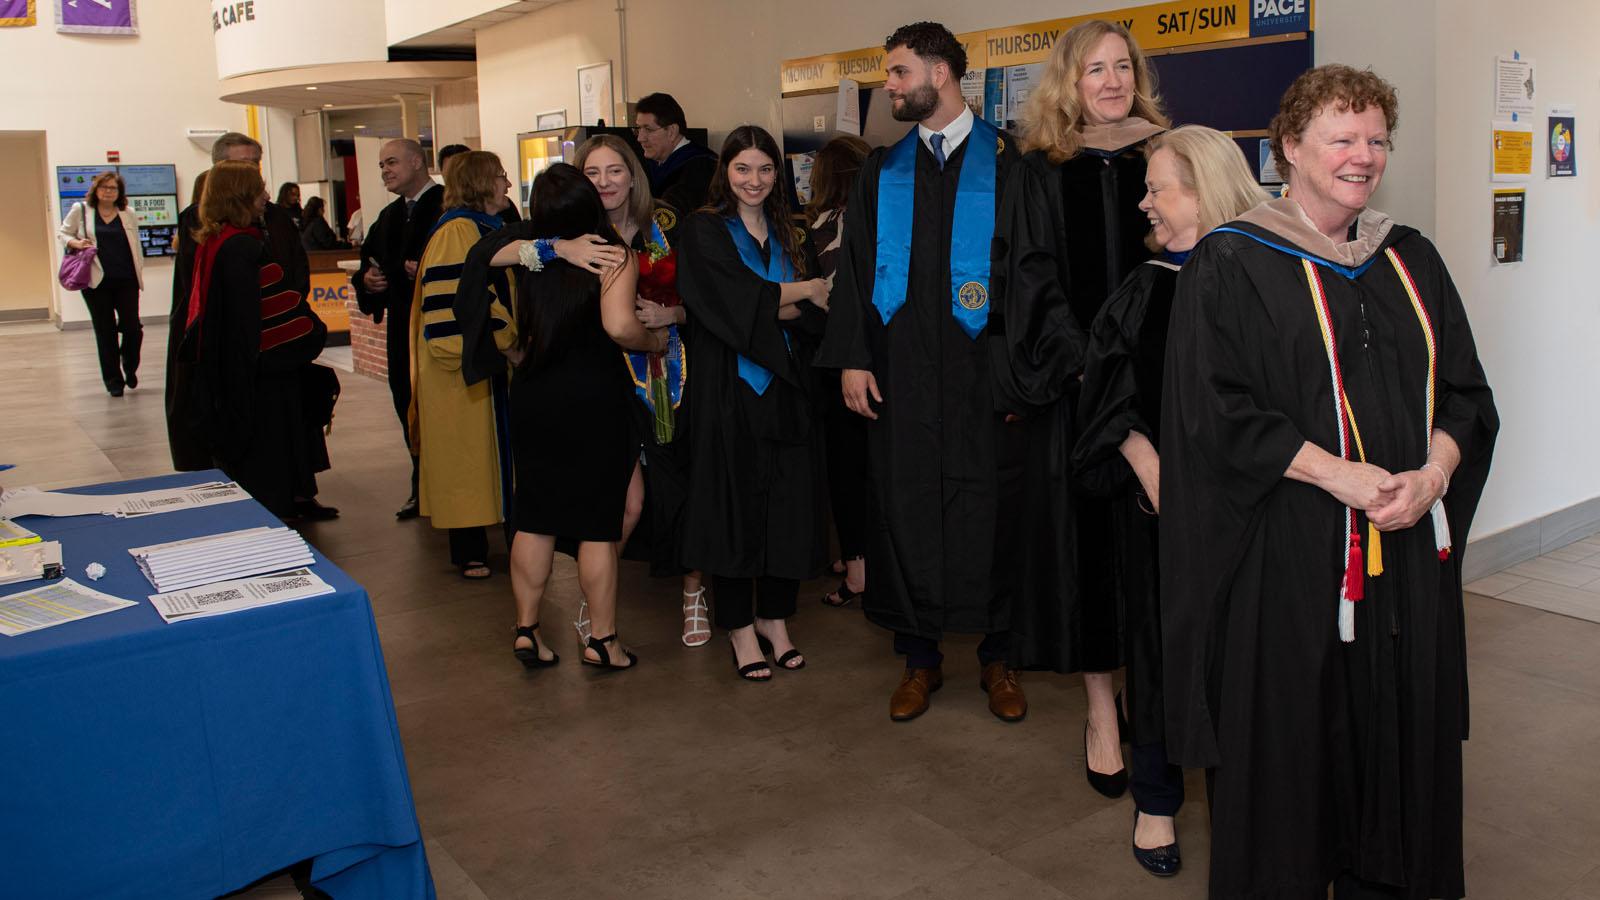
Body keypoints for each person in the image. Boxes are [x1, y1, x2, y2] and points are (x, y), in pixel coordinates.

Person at [1160, 65, 1498, 900]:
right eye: (1341, 138)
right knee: (1292, 749)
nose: (1363, 156)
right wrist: (1337, 475)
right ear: (1289, 149)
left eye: (1376, 138)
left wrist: (1433, 474)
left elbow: (1467, 395)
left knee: (1401, 742)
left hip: (1406, 555)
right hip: (1289, 562)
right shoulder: (1232, 263)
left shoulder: (1408, 257)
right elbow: (1213, 413)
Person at [1072, 125, 1271, 877]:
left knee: (1248, 661)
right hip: (1158, 519)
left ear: (1205, 189)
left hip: (1255, 516)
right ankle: (1156, 801)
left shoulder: (1264, 279)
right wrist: (1145, 459)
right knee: (1158, 658)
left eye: (1157, 187)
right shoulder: (1143, 288)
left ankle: (1254, 802)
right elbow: (1102, 403)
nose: (1144, 202)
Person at [815, 21, 1026, 721]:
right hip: (901, 372)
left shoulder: (1014, 163)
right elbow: (853, 270)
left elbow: (1032, 279)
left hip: (983, 373)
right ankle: (920, 658)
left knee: (994, 508)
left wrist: (1021, 371)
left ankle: (1000, 657)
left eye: (900, 73)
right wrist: (851, 355)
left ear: (940, 73)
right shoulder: (884, 170)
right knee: (905, 504)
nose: (891, 87)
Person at [1002, 17, 1170, 791]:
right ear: (1069, 81)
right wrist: (1091, 371)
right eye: (1094, 68)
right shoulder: (1038, 166)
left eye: (1122, 67)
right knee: (1087, 553)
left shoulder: (1165, 156)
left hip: (1164, 383)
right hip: (1077, 390)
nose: (1110, 81)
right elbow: (1032, 281)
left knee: (1154, 551)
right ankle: (1102, 710)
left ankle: (1154, 701)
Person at [677, 124, 829, 682]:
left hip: (789, 389)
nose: (755, 181)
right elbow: (724, 303)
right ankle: (740, 630)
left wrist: (781, 303)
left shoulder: (793, 232)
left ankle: (776, 621)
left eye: (766, 169)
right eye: (743, 168)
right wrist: (798, 295)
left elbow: (814, 309)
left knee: (787, 511)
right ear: (726, 172)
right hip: (728, 391)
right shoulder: (703, 230)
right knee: (734, 511)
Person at [503, 163, 666, 671]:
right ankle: (603, 641)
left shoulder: (525, 254)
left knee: (534, 517)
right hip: (593, 397)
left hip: (533, 392)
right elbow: (619, 326)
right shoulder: (611, 253)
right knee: (599, 523)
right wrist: (654, 340)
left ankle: (527, 629)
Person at [570, 134, 711, 646]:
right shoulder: (575, 234)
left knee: (688, 487)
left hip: (677, 376)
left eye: (614, 171)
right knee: (621, 501)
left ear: (634, 174)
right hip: (605, 382)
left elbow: (711, 297)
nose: (605, 182)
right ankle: (595, 598)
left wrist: (674, 314)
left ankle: (694, 594)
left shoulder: (670, 226)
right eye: (592, 173)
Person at [178, 160, 330, 520]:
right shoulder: (242, 249)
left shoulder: (214, 241)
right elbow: (263, 325)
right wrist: (312, 336)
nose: (265, 197)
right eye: (259, 189)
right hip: (259, 383)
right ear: (240, 195)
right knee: (266, 470)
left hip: (231, 377)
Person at [409, 151, 516, 580]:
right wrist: (508, 340)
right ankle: (470, 551)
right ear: (482, 183)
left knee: (480, 460)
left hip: (481, 366)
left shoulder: (486, 228)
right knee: (468, 461)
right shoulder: (457, 232)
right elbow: (459, 302)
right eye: (500, 177)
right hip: (462, 368)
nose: (507, 184)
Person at [353, 138, 445, 520]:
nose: (385, 171)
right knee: (405, 401)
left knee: (439, 408)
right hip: (401, 329)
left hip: (438, 328)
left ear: (417, 162)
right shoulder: (390, 216)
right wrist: (368, 280)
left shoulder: (445, 206)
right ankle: (419, 483)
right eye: (381, 165)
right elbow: (370, 261)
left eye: (391, 162)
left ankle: (444, 487)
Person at [804, 134, 872, 609]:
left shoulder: (823, 231)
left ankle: (857, 572)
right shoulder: (883, 223)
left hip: (840, 364)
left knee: (848, 474)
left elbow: (825, 303)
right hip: (887, 362)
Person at [58, 170, 144, 397]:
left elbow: (136, 245)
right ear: (96, 190)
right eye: (104, 187)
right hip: (96, 282)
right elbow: (63, 234)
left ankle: (130, 365)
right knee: (105, 331)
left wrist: (140, 272)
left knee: (133, 328)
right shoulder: (82, 211)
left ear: (120, 192)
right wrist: (76, 243)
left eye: (113, 188)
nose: (108, 192)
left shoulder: (128, 213)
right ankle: (113, 381)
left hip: (126, 279)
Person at [633, 92, 718, 214]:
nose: (640, 138)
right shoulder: (651, 164)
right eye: (638, 129)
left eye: (648, 129)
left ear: (672, 131)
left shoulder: (702, 167)